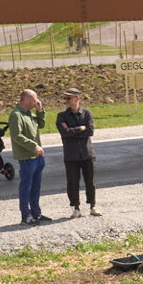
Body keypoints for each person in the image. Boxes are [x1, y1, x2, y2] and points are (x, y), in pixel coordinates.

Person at [54, 88, 99, 219]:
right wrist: (80, 128)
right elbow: (65, 132)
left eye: (69, 98)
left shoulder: (86, 113)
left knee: (90, 181)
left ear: (77, 98)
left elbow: (90, 131)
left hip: (87, 153)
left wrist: (73, 131)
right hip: (71, 154)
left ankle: (92, 206)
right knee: (72, 182)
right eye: (65, 98)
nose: (66, 101)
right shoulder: (62, 116)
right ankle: (76, 208)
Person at [7, 89, 47, 226]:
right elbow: (16, 136)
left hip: (37, 157)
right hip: (26, 158)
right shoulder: (16, 115)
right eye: (35, 99)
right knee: (26, 187)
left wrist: (40, 111)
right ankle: (26, 215)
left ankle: (36, 212)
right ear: (27, 99)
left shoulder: (30, 114)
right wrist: (33, 146)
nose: (37, 101)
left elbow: (41, 125)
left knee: (36, 187)